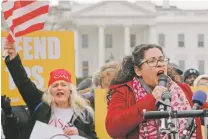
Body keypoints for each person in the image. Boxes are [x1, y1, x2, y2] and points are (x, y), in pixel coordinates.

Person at [105, 44, 205, 139]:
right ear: (138, 70)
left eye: (162, 60)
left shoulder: (183, 90)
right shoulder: (124, 91)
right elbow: (113, 128)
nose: (159, 64)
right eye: (152, 61)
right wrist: (152, 99)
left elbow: (204, 112)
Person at [4, 41, 97, 139]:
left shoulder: (84, 114)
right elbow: (23, 83)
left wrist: (80, 133)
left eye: (63, 85)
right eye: (55, 85)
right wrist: (13, 57)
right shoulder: (40, 104)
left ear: (70, 91)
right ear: (50, 91)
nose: (59, 88)